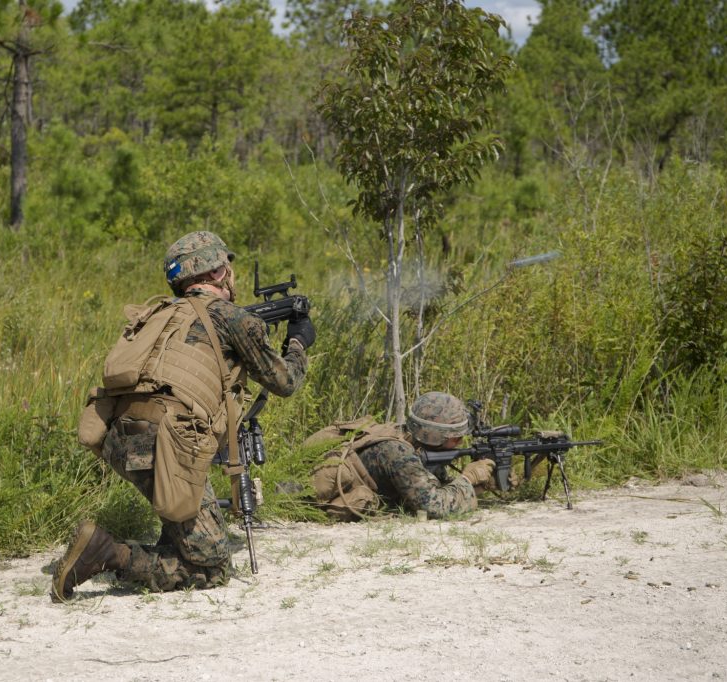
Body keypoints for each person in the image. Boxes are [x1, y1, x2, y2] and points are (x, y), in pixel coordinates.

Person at [52, 231, 312, 600]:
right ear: (220, 273)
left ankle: (170, 538)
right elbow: (284, 382)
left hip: (119, 439)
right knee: (211, 568)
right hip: (170, 444)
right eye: (227, 267)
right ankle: (106, 553)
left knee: (184, 520)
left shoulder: (158, 314)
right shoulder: (231, 318)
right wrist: (299, 343)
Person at [311, 392, 495, 520]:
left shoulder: (409, 437)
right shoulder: (399, 454)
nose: (460, 442)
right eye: (456, 438)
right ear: (435, 437)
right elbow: (434, 507)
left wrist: (481, 484)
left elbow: (435, 486)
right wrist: (468, 479)